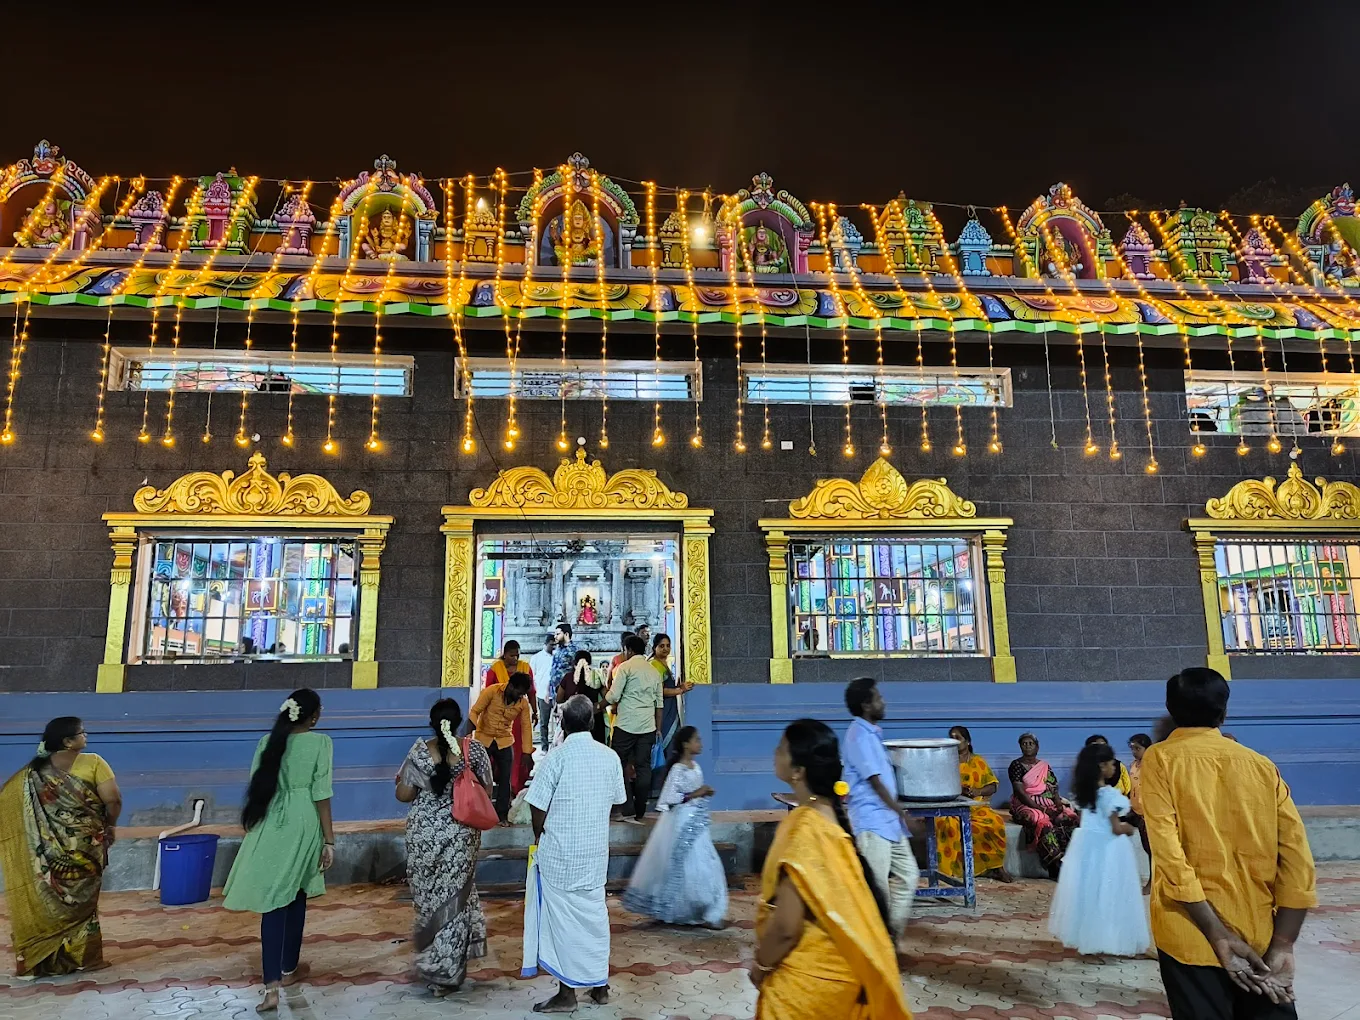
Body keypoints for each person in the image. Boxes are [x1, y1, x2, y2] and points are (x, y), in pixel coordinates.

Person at [1142, 667, 1316, 1019]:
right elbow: (1297, 857)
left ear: (1169, 708)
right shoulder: (1260, 765)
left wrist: (1217, 933)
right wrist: (1283, 944)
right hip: (1259, 932)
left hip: (1191, 931)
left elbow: (1169, 854)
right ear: (1224, 712)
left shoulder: (1160, 760)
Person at [751, 719, 911, 1020]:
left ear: (798, 771)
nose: (775, 753)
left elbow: (787, 927)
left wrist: (760, 966)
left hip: (809, 983)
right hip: (840, 974)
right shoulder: (829, 819)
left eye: (782, 749)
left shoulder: (806, 828)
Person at [223, 689, 335, 1013]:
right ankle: (284, 973)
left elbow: (258, 784)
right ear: (314, 716)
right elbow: (321, 794)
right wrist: (329, 840)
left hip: (270, 822)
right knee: (293, 892)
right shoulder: (320, 743)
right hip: (304, 821)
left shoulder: (267, 742)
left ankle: (278, 980)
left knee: (278, 897)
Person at [522, 695, 627, 1013]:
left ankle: (567, 994)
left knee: (562, 924)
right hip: (594, 854)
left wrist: (539, 838)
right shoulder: (609, 757)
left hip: (560, 855)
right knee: (595, 917)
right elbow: (618, 800)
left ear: (563, 725)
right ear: (592, 723)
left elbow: (536, 805)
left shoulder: (557, 757)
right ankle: (599, 986)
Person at [0, 717, 121, 978]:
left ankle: (38, 963)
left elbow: (7, 799)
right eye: (81, 733)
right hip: (87, 847)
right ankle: (82, 959)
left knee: (47, 899)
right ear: (68, 741)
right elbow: (113, 800)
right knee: (83, 903)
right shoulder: (94, 762)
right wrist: (109, 825)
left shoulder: (32, 773)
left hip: (46, 849)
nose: (85, 736)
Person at [396, 699, 493, 997]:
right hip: (460, 837)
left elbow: (403, 794)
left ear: (432, 722)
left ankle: (435, 961)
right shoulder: (474, 751)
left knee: (428, 901)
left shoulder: (419, 752)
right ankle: (448, 971)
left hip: (423, 838)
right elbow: (487, 790)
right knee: (454, 902)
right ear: (460, 720)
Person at [1047, 741, 1150, 957]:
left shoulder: (1085, 794)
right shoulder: (1109, 795)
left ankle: (1091, 940)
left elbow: (1088, 822)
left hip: (1087, 848)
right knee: (1113, 894)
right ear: (1103, 766)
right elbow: (1115, 827)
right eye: (1112, 763)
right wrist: (1129, 828)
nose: (1114, 767)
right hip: (1110, 850)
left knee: (1091, 894)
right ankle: (1114, 941)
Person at [623, 726, 728, 929]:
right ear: (686, 744)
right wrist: (696, 793)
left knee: (707, 862)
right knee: (688, 865)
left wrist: (704, 793)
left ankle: (705, 908)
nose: (700, 744)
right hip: (683, 823)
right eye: (696, 740)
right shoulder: (678, 770)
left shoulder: (695, 767)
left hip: (697, 823)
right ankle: (685, 908)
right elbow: (670, 798)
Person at [840, 677, 920, 940]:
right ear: (866, 705)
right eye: (878, 698)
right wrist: (902, 813)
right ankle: (875, 944)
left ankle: (889, 936)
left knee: (908, 875)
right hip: (871, 821)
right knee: (876, 888)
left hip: (887, 822)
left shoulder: (872, 734)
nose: (883, 702)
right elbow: (875, 781)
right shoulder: (858, 735)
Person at [935, 725, 1013, 883]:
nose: (954, 741)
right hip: (951, 808)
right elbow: (937, 786)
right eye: (951, 738)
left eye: (958, 738)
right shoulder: (945, 762)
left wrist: (977, 791)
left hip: (976, 808)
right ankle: (949, 872)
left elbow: (993, 785)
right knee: (946, 825)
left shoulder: (978, 761)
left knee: (994, 823)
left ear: (968, 741)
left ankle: (996, 867)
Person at [606, 634, 663, 824]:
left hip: (626, 725)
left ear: (627, 650)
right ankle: (640, 810)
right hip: (648, 726)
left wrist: (598, 705)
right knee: (643, 767)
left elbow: (613, 696)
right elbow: (659, 704)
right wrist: (658, 728)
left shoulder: (625, 667)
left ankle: (626, 806)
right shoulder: (653, 671)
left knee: (618, 764)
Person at [1008, 732, 1078, 879]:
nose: (1027, 746)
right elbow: (1020, 792)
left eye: (1030, 743)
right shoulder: (1016, 765)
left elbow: (1053, 787)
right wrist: (1041, 809)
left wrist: (1058, 804)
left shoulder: (1044, 766)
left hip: (1048, 802)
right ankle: (1054, 865)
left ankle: (1071, 860)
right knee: (1042, 822)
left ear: (1037, 747)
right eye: (1024, 743)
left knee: (1069, 818)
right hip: (1027, 803)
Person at [469, 669, 534, 824]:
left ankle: (502, 816)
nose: (521, 696)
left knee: (506, 779)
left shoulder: (523, 704)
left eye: (523, 694)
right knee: (479, 777)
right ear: (511, 686)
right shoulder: (491, 691)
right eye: (519, 692)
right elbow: (474, 712)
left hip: (504, 741)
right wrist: (474, 730)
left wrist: (527, 752)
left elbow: (526, 727)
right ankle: (477, 812)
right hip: (483, 739)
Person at [485, 640, 537, 795]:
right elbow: (488, 693)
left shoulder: (525, 667)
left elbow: (532, 692)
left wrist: (535, 710)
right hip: (498, 718)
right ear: (504, 654)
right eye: (511, 655)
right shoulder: (495, 668)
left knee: (518, 751)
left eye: (517, 655)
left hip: (519, 718)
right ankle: (501, 783)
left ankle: (515, 786)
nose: (515, 658)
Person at [649, 632, 693, 794]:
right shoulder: (655, 665)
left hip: (669, 710)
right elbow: (659, 690)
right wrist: (679, 690)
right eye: (662, 646)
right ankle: (658, 789)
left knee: (672, 748)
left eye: (668, 645)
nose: (666, 649)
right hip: (662, 711)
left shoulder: (663, 664)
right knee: (664, 748)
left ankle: (668, 788)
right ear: (654, 648)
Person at [1127, 731, 1153, 892]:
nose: (1134, 752)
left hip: (1148, 813)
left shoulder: (1152, 766)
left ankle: (1152, 882)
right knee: (1145, 846)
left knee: (1151, 849)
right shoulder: (1133, 766)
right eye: (1132, 748)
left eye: (1137, 748)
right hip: (1135, 810)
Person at [528, 634, 556, 747]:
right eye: (551, 645)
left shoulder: (557, 656)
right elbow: (531, 676)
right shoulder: (536, 658)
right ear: (545, 644)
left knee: (560, 721)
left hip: (556, 694)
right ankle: (545, 747)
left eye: (555, 645)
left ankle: (557, 745)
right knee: (544, 722)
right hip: (542, 693)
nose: (553, 647)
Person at [548, 623, 579, 706]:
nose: (555, 636)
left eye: (558, 634)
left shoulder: (574, 651)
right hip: (555, 691)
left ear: (566, 634)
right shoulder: (557, 650)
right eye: (555, 634)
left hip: (567, 692)